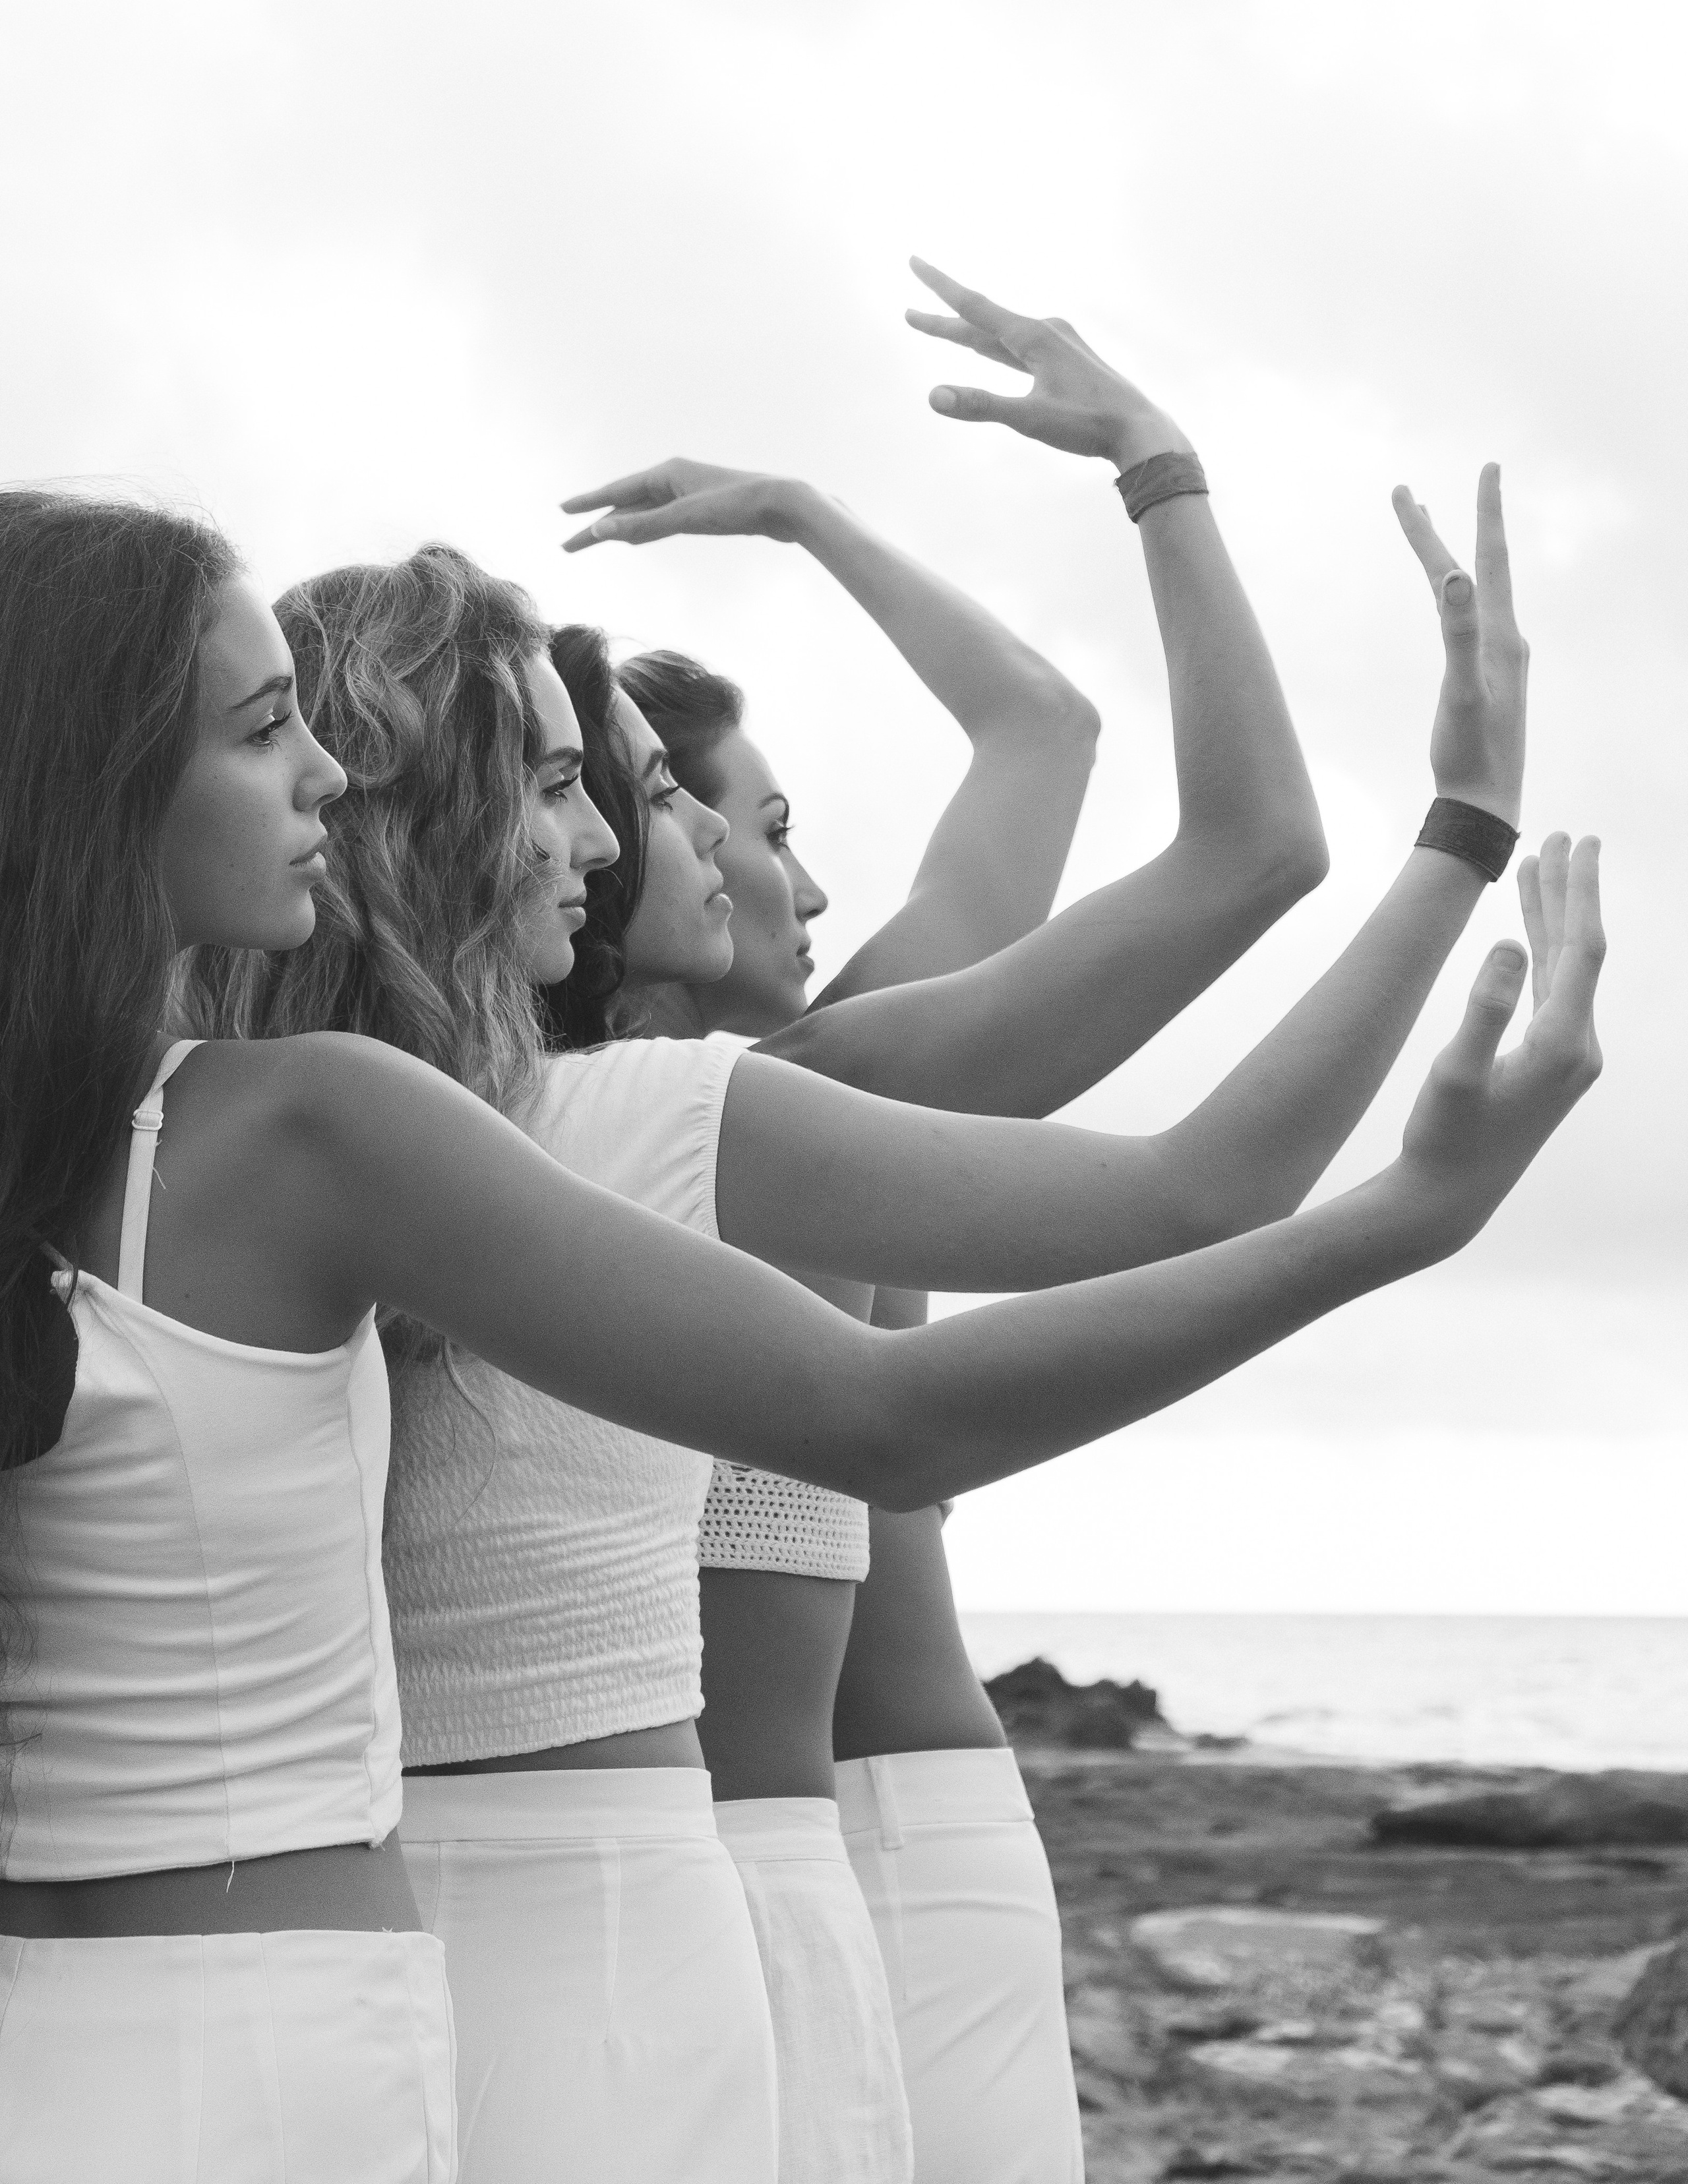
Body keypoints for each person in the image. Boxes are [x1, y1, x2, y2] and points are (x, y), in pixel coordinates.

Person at [555, 263, 1547, 2182]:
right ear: (604, 842)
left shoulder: (823, 1082)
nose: (802, 871)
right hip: (729, 1852)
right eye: (739, 818)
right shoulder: (694, 1104)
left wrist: (823, 510)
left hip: (836, 1834)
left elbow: (1065, 750)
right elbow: (1131, 800)